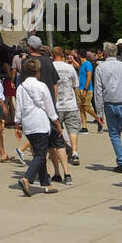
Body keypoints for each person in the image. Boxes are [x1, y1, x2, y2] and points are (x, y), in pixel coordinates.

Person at [14, 57, 61, 197]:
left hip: (28, 124)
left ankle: (46, 184)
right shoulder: (42, 86)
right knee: (41, 155)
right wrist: (57, 122)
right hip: (40, 123)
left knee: (38, 153)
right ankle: (27, 178)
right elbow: (49, 107)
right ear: (38, 71)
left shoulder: (21, 87)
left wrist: (17, 124)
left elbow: (19, 107)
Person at [94, 41, 122, 175]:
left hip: (109, 102)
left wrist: (99, 111)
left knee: (114, 134)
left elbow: (98, 90)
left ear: (105, 53)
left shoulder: (101, 67)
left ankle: (121, 162)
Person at [51, 49, 80, 178]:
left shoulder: (50, 67)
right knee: (73, 129)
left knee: (57, 131)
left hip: (57, 105)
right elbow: (75, 86)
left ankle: (57, 154)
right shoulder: (70, 67)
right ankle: (74, 151)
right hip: (70, 103)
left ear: (52, 55)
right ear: (63, 56)